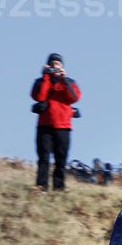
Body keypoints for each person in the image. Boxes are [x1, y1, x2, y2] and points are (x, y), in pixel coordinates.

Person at [30, 53, 81, 191]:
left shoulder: (69, 82)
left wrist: (64, 80)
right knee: (43, 158)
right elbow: (39, 96)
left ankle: (59, 188)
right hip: (44, 126)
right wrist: (46, 76)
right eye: (52, 64)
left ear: (62, 66)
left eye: (57, 64)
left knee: (61, 160)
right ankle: (41, 187)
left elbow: (74, 98)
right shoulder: (41, 82)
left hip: (63, 127)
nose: (55, 67)